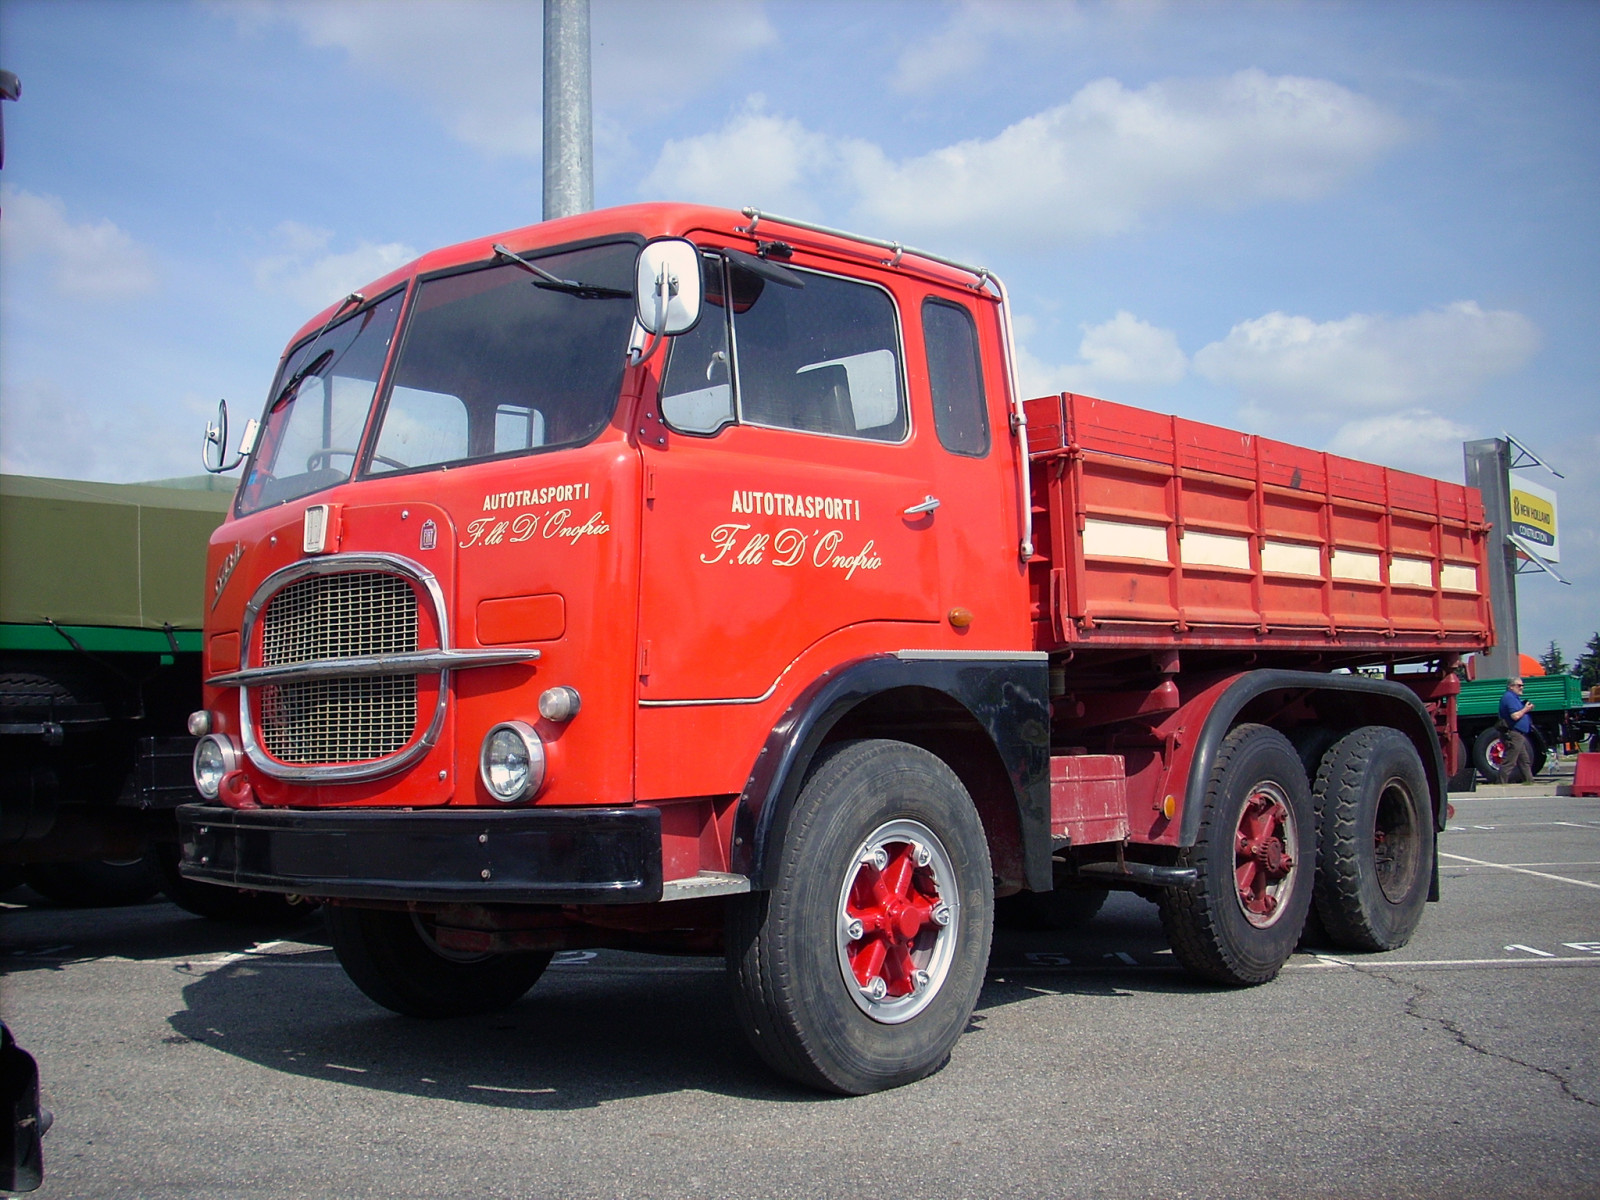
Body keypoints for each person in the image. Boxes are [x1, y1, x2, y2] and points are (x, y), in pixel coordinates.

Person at [1497, 677, 1536, 784]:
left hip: (1518, 734)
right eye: (1519, 685)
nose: (1522, 688)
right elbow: (1515, 716)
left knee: (1524, 760)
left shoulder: (1514, 698)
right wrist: (1526, 709)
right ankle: (1501, 784)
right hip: (1513, 734)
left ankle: (1529, 781)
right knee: (1510, 761)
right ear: (1511, 687)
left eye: (1522, 685)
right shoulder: (1509, 697)